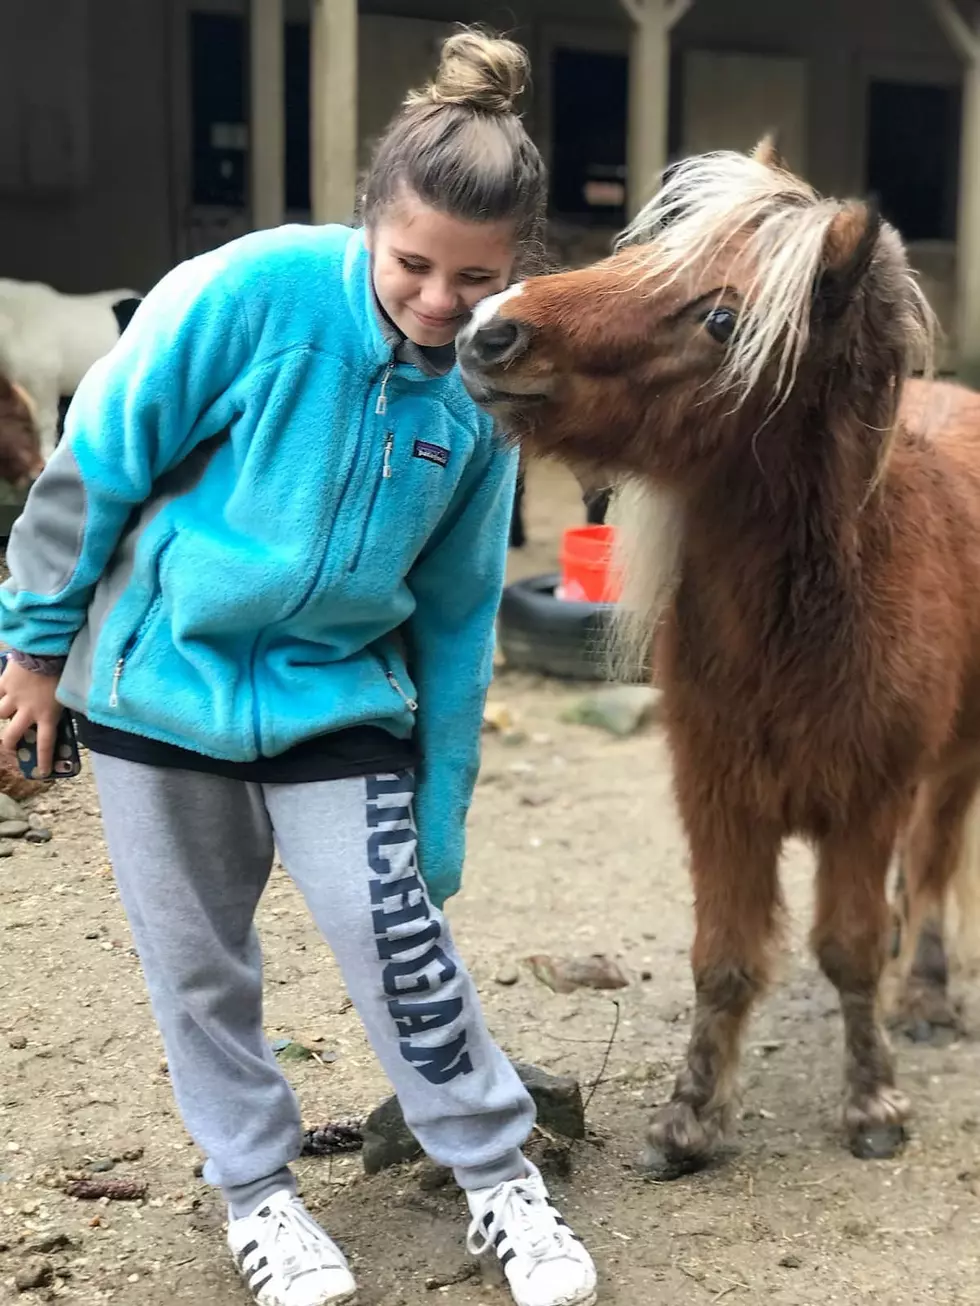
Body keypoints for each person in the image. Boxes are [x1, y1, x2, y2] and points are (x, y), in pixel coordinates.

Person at [0, 29, 598, 1306]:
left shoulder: (478, 403)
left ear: (515, 268)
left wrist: (437, 813)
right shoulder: (244, 294)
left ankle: (500, 1179)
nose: (439, 303)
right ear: (368, 223)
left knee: (400, 946)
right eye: (413, 266)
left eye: (475, 279)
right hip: (160, 694)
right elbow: (91, 462)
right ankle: (260, 1199)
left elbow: (452, 618)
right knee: (200, 966)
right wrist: (35, 651)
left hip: (338, 700)